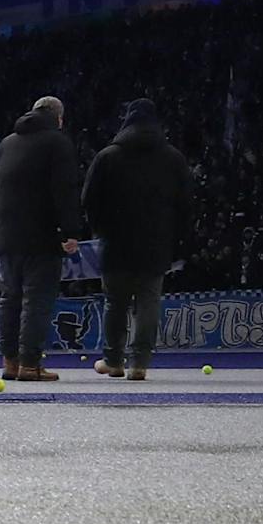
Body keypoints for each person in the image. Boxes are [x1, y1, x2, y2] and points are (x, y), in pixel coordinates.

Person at [81, 97, 193, 382]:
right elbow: (186, 205)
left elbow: (88, 199)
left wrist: (101, 228)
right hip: (155, 243)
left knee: (114, 303)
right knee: (148, 302)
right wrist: (176, 239)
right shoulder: (173, 158)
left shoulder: (107, 156)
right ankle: (140, 363)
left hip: (116, 241)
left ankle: (113, 360)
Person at [0, 94, 79, 382]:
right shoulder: (57, 143)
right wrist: (70, 231)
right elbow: (64, 190)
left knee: (9, 300)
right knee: (36, 300)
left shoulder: (6, 143)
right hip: (41, 236)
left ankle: (10, 362)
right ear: (59, 118)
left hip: (7, 236)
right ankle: (30, 364)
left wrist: (0, 225)